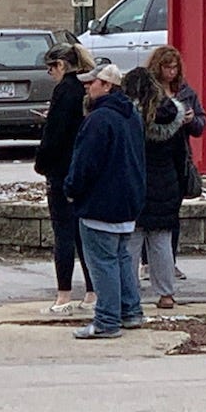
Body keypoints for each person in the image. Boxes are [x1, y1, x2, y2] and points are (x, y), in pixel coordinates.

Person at [63, 64, 146, 339]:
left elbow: (85, 163)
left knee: (103, 262)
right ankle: (131, 312)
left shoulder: (99, 120)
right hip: (128, 200)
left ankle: (107, 320)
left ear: (107, 86)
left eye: (92, 83)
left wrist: (71, 189)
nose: (87, 87)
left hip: (101, 203)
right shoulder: (131, 116)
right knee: (122, 258)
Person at [33, 43, 95, 313]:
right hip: (84, 169)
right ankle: (92, 292)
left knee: (64, 233)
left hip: (61, 170)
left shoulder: (63, 90)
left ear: (60, 65)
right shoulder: (85, 88)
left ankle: (63, 295)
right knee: (85, 233)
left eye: (51, 68)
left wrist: (41, 164)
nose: (50, 74)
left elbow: (55, 135)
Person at [121, 66, 189, 310]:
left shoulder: (129, 117)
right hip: (166, 184)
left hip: (136, 184)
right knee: (161, 242)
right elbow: (182, 155)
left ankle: (129, 294)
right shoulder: (173, 114)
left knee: (132, 242)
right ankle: (166, 294)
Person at [144, 44, 206, 280]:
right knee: (148, 212)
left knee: (172, 212)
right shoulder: (150, 91)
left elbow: (201, 124)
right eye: (167, 67)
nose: (171, 72)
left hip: (178, 156)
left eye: (174, 67)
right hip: (152, 155)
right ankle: (148, 261)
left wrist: (190, 120)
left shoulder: (185, 92)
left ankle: (170, 260)